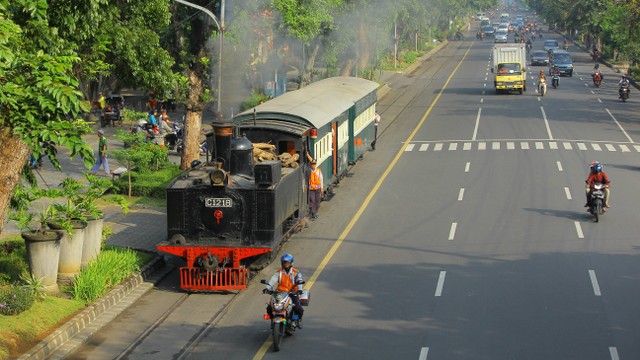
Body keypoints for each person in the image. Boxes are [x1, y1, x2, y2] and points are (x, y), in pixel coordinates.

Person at [264, 253, 305, 328]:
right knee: (270, 307)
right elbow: (272, 281)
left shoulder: (296, 272)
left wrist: (299, 289)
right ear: (282, 263)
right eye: (284, 262)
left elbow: (299, 280)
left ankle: (298, 319)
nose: (286, 264)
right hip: (280, 293)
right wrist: (267, 288)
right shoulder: (279, 272)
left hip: (292, 293)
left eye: (287, 262)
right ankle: (272, 319)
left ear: (291, 263)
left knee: (298, 309)